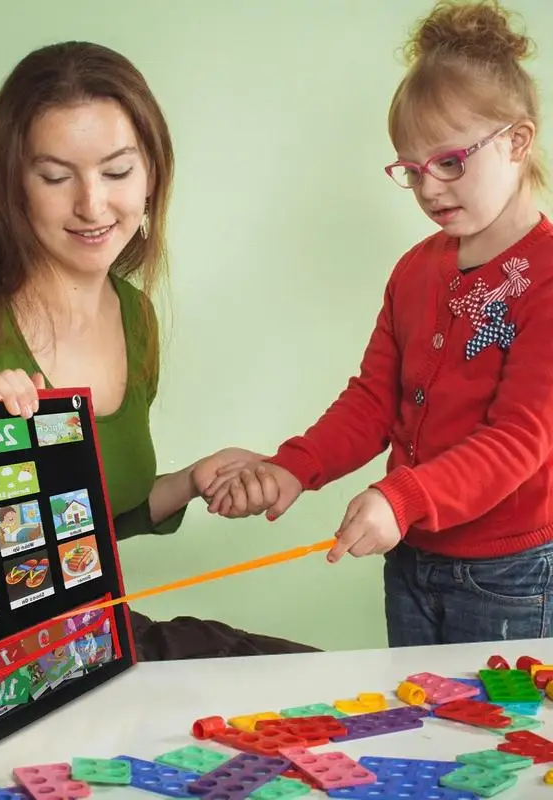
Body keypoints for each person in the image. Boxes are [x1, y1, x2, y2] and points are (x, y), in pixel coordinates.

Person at [0, 40, 318, 659]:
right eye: (55, 177)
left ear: (152, 175)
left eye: (118, 171)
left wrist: (190, 480)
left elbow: (89, 526)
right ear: (13, 187)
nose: (92, 204)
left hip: (80, 645)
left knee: (299, 675)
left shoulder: (134, 315)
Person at [202, 0, 553, 647]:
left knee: (504, 741)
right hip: (411, 558)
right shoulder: (415, 271)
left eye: (449, 162)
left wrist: (402, 497)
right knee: (421, 723)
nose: (430, 188)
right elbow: (374, 401)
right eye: (412, 171)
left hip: (510, 574)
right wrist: (292, 468)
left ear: (517, 141)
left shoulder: (549, 276)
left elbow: (520, 439)